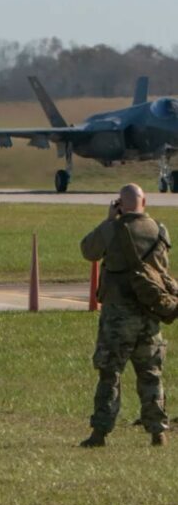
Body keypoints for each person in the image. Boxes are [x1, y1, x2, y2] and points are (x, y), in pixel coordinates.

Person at [79, 183, 176, 447]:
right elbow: (162, 271)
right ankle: (158, 432)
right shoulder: (159, 230)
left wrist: (109, 220)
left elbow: (89, 250)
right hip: (149, 314)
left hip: (118, 317)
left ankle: (100, 432)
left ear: (120, 204)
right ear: (144, 202)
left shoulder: (112, 229)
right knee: (151, 374)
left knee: (110, 373)